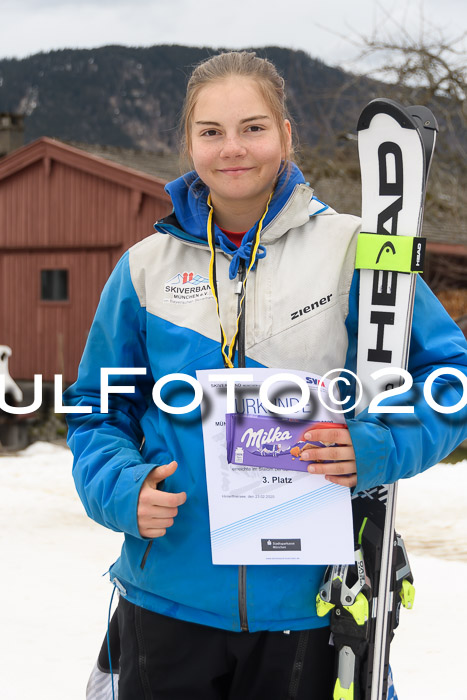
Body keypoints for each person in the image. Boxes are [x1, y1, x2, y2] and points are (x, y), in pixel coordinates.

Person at [65, 51, 467, 700]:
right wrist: (119, 485)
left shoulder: (357, 250)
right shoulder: (143, 268)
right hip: (167, 595)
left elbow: (451, 378)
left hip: (311, 603)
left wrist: (378, 446)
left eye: (252, 128)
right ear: (187, 142)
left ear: (285, 135)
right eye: (211, 131)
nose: (232, 149)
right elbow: (97, 404)